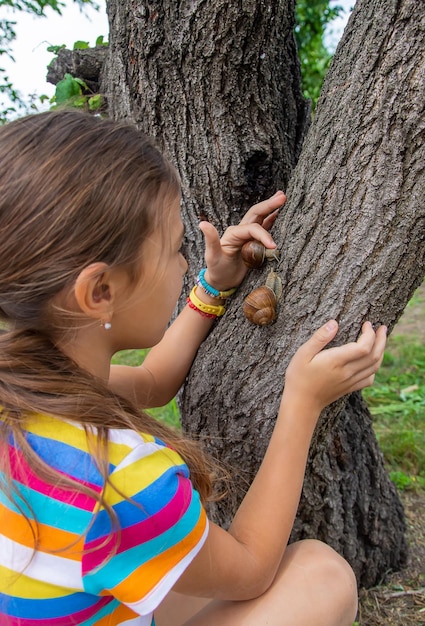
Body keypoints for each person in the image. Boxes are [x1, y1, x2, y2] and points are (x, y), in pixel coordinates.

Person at [0, 109, 386, 626]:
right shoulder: (116, 480)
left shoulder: (31, 394)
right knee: (321, 576)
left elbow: (154, 382)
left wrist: (215, 284)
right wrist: (303, 399)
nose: (184, 261)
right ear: (100, 291)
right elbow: (250, 568)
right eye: (170, 247)